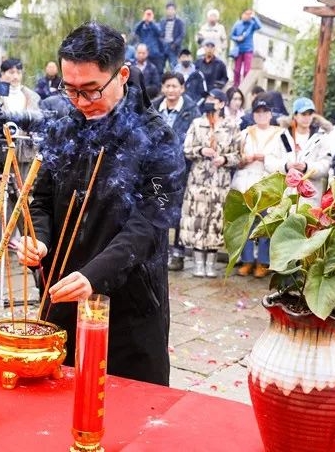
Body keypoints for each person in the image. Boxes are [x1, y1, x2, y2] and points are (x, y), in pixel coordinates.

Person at [16, 21, 185, 386]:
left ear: (121, 74)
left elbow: (150, 224)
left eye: (91, 90)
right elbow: (38, 197)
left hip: (129, 307)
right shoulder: (63, 129)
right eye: (70, 90)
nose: (81, 102)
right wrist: (37, 238)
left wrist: (95, 276)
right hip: (62, 295)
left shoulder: (157, 137)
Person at [179, 89, 240, 278]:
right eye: (208, 98)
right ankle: (198, 262)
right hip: (198, 180)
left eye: (213, 99)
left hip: (220, 182)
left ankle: (211, 264)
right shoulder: (197, 124)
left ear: (222, 103)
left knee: (216, 221)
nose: (209, 101)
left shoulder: (232, 126)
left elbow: (238, 155)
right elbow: (186, 148)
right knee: (197, 220)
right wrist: (201, 150)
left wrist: (224, 159)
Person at [152, 72, 200, 271]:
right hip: (155, 168)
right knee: (155, 207)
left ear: (182, 88)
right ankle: (154, 249)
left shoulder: (192, 111)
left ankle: (178, 253)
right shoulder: (153, 107)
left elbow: (193, 138)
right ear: (163, 88)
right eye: (167, 86)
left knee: (179, 211)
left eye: (175, 86)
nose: (171, 90)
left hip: (181, 167)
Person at [232, 95, 282, 278]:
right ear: (253, 115)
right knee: (246, 223)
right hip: (246, 182)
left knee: (265, 224)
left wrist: (265, 159)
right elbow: (235, 156)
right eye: (258, 112)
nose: (261, 115)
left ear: (270, 114)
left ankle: (263, 261)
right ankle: (246, 261)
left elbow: (286, 160)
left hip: (268, 183)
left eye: (265, 112)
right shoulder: (244, 133)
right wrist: (244, 160)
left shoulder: (281, 134)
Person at [265, 97, 332, 207]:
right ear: (295, 115)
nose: (307, 118)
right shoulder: (282, 136)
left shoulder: (321, 137)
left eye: (310, 114)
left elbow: (325, 165)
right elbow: (269, 162)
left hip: (311, 199)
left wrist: (306, 167)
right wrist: (286, 166)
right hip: (284, 198)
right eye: (303, 114)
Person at [229, 9, 262, 88]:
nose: (247, 16)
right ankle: (236, 85)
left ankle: (245, 85)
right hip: (239, 49)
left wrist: (254, 17)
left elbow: (259, 26)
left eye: (249, 14)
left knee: (247, 70)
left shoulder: (252, 24)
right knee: (237, 70)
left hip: (248, 49)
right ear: (242, 14)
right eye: (246, 14)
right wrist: (237, 38)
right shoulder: (237, 24)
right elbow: (231, 35)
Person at [159, 2, 186, 70]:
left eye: (172, 9)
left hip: (174, 47)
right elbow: (159, 34)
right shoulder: (162, 21)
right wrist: (162, 43)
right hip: (164, 46)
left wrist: (175, 44)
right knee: (160, 67)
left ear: (175, 11)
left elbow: (182, 34)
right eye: (168, 9)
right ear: (166, 10)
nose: (170, 11)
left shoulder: (180, 22)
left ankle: (175, 80)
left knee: (174, 67)